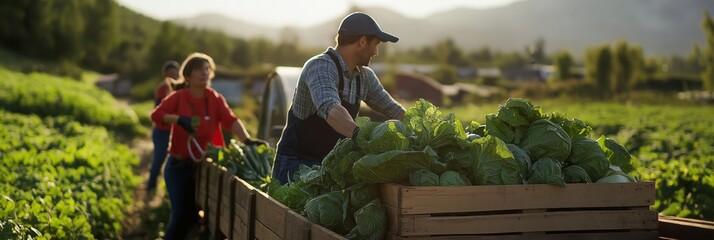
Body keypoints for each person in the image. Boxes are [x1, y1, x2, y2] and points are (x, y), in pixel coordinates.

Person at [271, 12, 405, 184]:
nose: (376, 52)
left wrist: (422, 132)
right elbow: (331, 109)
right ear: (362, 42)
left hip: (329, 166)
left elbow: (394, 110)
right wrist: (362, 138)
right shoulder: (320, 66)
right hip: (295, 164)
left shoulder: (364, 77)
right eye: (376, 44)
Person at [150, 53, 267, 239]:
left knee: (201, 217)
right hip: (179, 166)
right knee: (181, 216)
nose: (204, 73)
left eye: (207, 69)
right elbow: (156, 115)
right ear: (187, 75)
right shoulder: (179, 97)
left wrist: (246, 140)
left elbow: (231, 120)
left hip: (205, 167)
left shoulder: (214, 98)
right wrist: (180, 120)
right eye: (199, 69)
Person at [147, 60, 180, 193]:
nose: (173, 76)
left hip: (176, 130)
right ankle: (151, 186)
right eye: (170, 73)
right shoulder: (162, 88)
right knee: (159, 158)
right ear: (165, 74)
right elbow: (158, 110)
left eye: (175, 73)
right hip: (162, 130)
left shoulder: (182, 87)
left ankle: (168, 190)